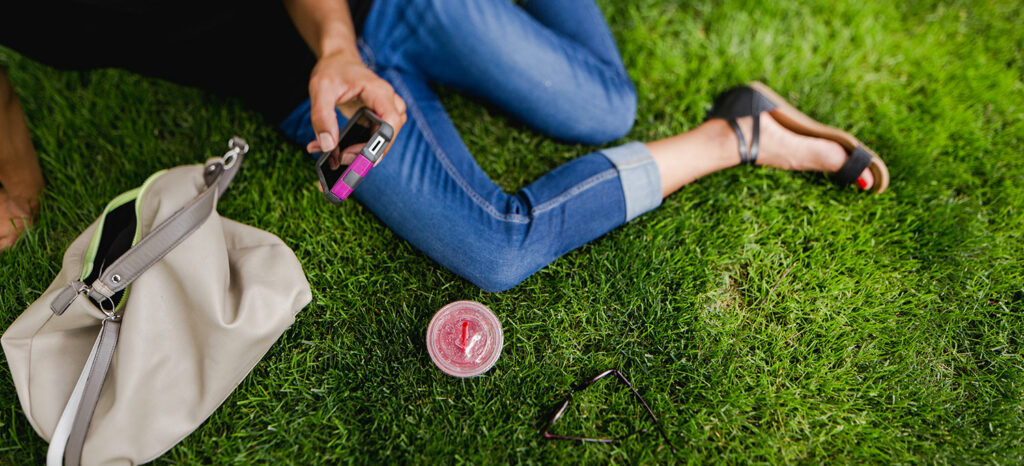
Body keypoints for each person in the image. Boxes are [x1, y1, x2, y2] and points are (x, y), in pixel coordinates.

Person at [1, 0, 887, 293]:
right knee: (497, 250)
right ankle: (741, 132)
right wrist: (20, 184)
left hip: (372, 12)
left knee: (606, 105)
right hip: (303, 92)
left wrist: (339, 44)